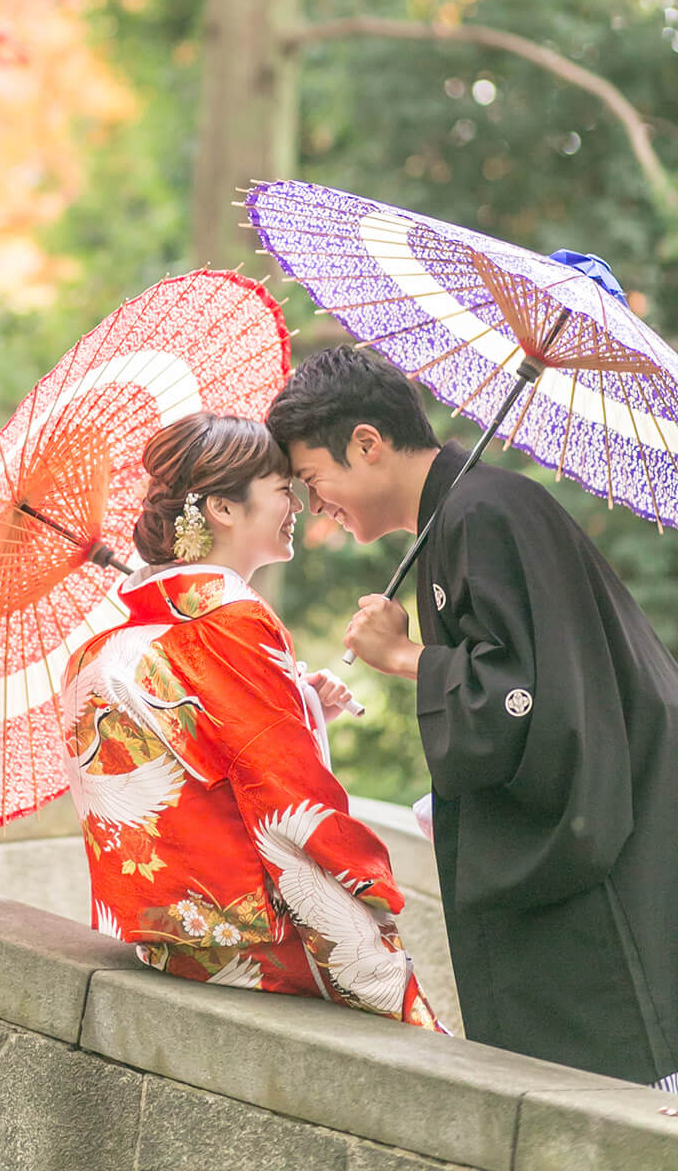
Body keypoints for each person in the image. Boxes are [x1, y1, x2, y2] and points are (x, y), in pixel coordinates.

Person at [266, 346, 678, 1088]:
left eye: (310, 479)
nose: (312, 503)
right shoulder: (462, 515)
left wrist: (404, 657)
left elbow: (528, 698)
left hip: (615, 830)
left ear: (367, 442)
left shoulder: (484, 512)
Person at [61, 410, 443, 1029]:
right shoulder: (233, 623)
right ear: (223, 509)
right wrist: (372, 951)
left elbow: (204, 757)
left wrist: (300, 701)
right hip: (264, 955)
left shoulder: (106, 645)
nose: (299, 504)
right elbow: (289, 805)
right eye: (280, 489)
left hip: (175, 950)